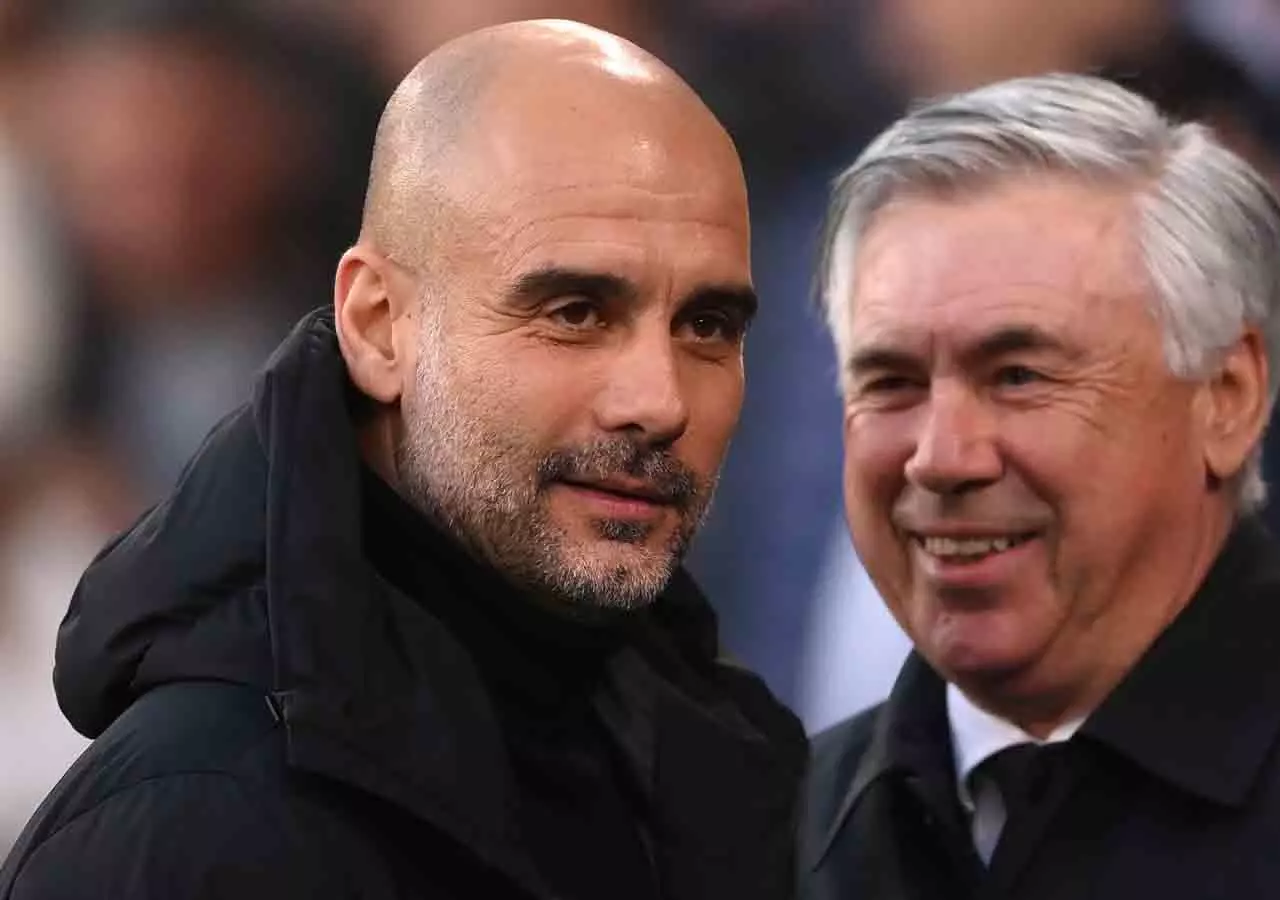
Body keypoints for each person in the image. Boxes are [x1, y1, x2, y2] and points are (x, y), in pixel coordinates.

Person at [0, 19, 805, 899]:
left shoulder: (728, 772)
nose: (660, 400)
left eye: (707, 326)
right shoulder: (192, 832)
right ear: (378, 326)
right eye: (574, 312)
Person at [797, 74, 1280, 900]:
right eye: (890, 382)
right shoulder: (755, 834)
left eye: (1020, 375)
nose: (941, 457)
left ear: (1227, 398)